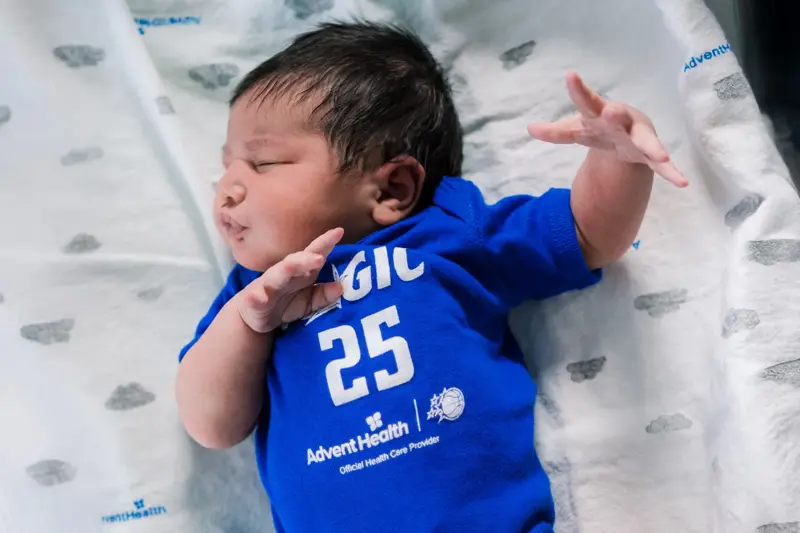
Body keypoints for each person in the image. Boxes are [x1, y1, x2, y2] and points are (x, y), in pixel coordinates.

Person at [175, 21, 687, 533]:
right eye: (227, 168)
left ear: (392, 188)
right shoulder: (251, 293)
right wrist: (248, 323)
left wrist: (620, 161)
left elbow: (585, 233)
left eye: (264, 162)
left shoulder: (449, 235)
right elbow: (212, 426)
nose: (228, 189)